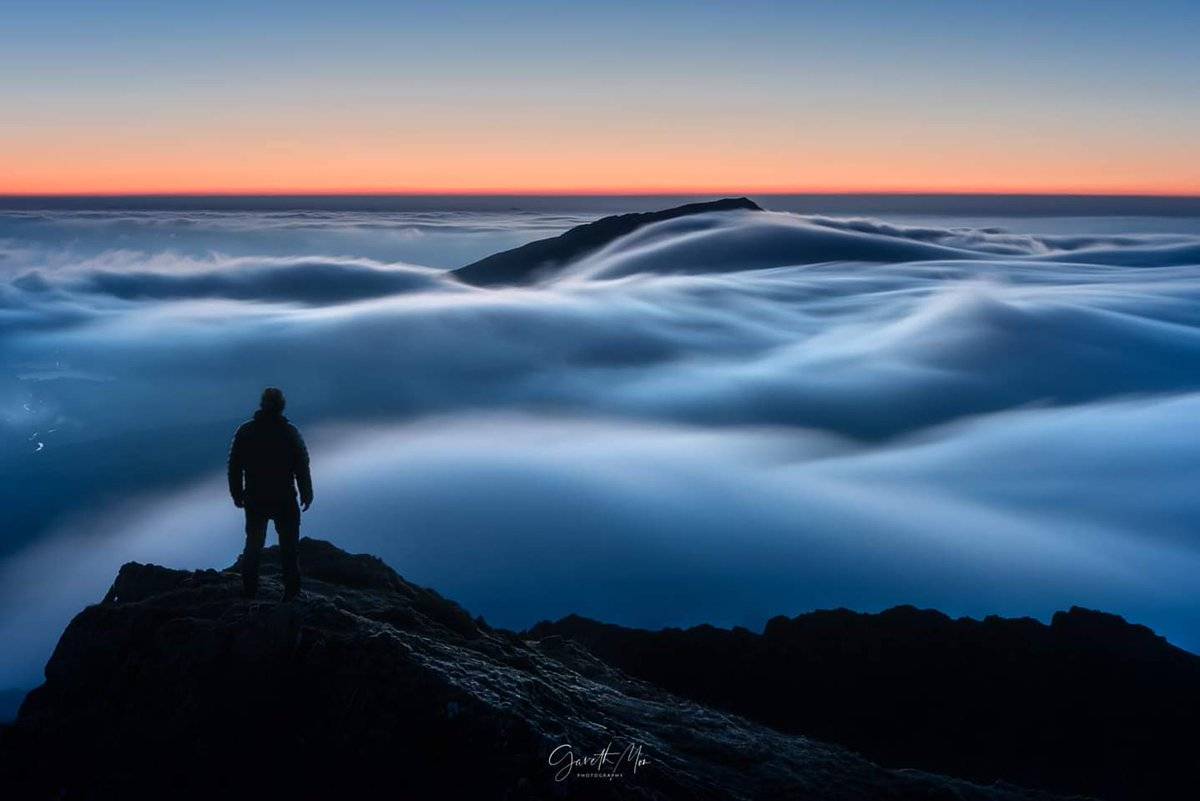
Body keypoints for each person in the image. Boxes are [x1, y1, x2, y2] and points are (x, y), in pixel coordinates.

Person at [227, 387, 313, 600]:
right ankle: (291, 596)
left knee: (253, 546)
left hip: (255, 498)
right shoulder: (289, 432)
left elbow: (235, 466)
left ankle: (249, 592)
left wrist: (236, 493)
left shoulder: (245, 431)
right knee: (289, 550)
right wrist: (306, 491)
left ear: (262, 404)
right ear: (282, 405)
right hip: (284, 498)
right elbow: (302, 464)